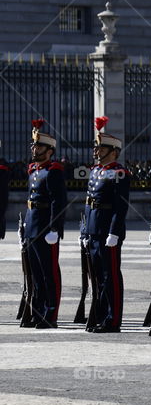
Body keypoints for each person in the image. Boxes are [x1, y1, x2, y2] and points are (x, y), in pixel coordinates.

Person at [80, 116, 130, 333]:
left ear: (113, 151)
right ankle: (100, 315)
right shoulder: (95, 171)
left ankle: (113, 319)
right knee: (98, 277)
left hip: (107, 232)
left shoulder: (119, 173)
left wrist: (114, 232)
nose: (96, 151)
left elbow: (120, 207)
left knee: (110, 276)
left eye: (100, 148)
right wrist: (84, 231)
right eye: (96, 147)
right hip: (93, 230)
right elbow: (89, 203)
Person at [22, 119, 67, 328]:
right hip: (32, 226)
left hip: (45, 228)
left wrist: (55, 228)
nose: (34, 149)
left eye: (38, 146)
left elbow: (59, 202)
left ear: (49, 150)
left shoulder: (53, 171)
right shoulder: (34, 171)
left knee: (49, 273)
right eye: (34, 145)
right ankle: (38, 311)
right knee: (36, 274)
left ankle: (51, 314)